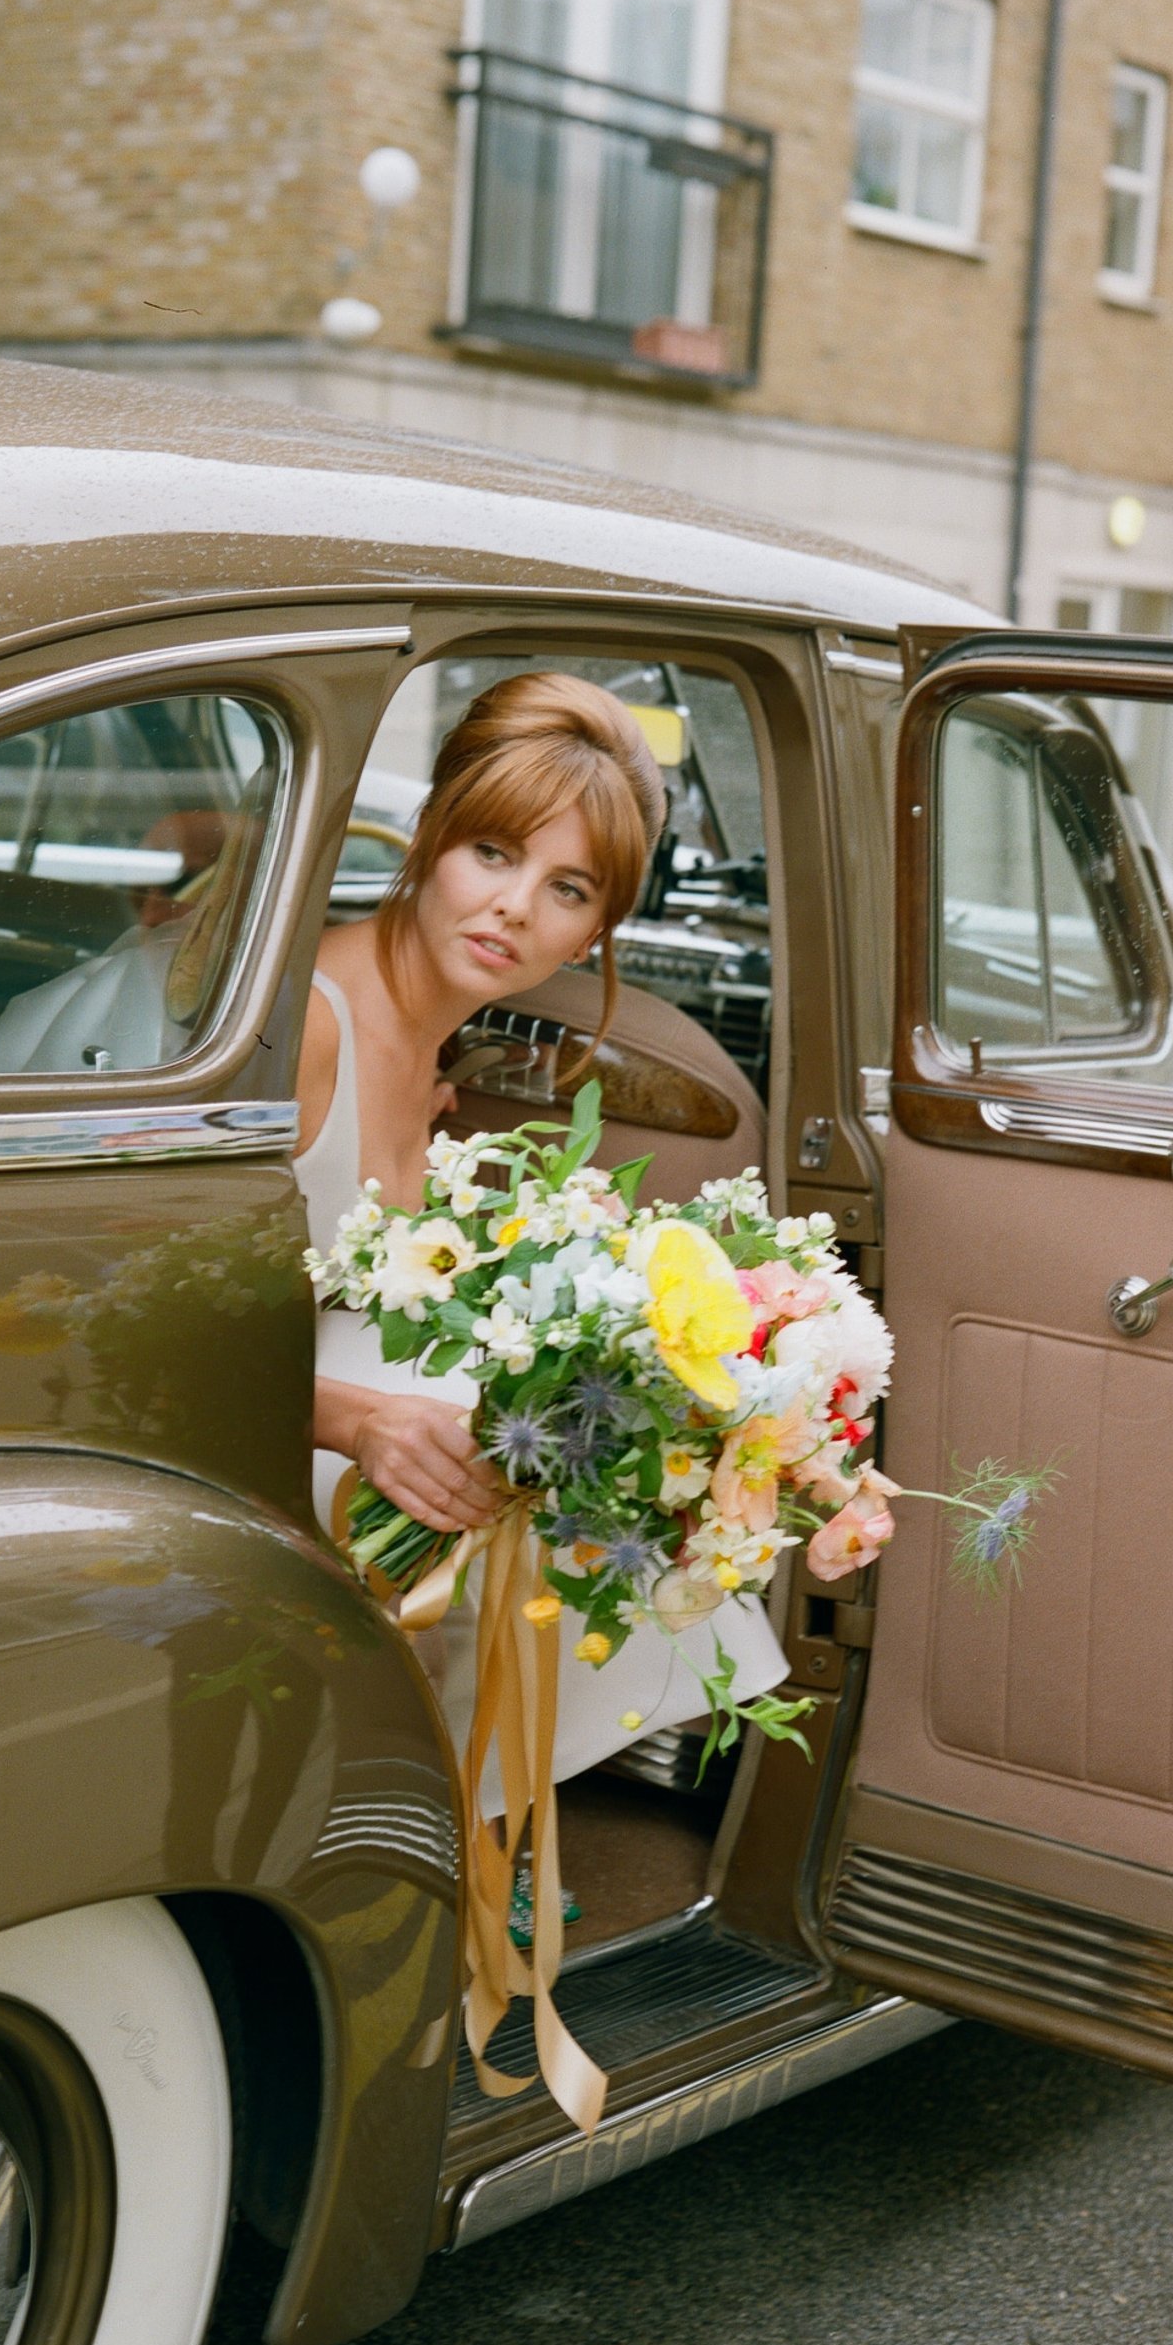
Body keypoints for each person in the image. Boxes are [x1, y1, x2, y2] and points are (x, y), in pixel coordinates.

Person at [294, 672, 789, 1807]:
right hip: (233, 1427)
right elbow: (136, 1323)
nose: (515, 907)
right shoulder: (311, 1024)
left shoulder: (430, 1055)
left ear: (598, 926)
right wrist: (357, 1419)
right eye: (492, 851)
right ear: (429, 833)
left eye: (565, 887)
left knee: (598, 1431)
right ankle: (441, 1817)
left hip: (317, 1403)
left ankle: (465, 1814)